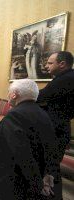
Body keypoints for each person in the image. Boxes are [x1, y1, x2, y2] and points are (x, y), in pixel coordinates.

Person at [0, 79, 58, 200]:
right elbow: (51, 148)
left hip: (10, 182)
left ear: (14, 94)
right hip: (27, 181)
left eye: (8, 92)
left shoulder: (15, 115)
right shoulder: (43, 114)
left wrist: (37, 184)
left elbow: (22, 153)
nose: (8, 95)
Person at [37, 51, 74, 199]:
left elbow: (41, 96)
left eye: (50, 63)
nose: (46, 66)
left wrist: (21, 93)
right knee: (50, 167)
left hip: (55, 131)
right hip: (59, 127)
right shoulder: (65, 77)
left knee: (49, 169)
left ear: (62, 64)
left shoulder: (66, 79)